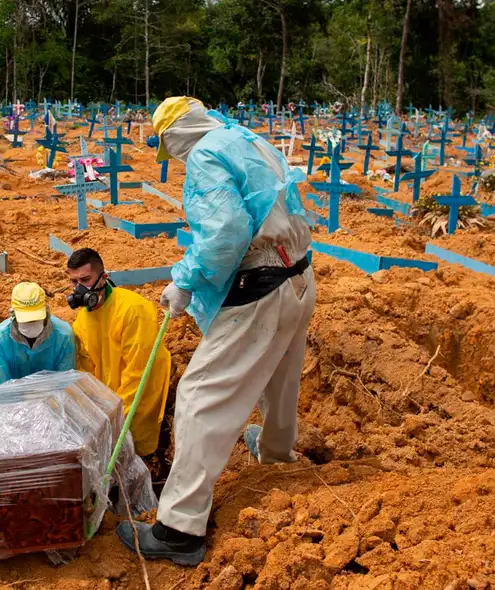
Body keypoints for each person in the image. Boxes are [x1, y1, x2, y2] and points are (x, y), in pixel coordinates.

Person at [115, 97, 315, 566]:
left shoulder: (206, 155)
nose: (177, 159)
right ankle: (276, 455)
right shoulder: (245, 139)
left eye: (171, 149)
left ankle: (179, 528)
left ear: (175, 136)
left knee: (200, 395)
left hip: (262, 280)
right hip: (300, 273)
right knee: (278, 374)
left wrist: (185, 281)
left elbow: (225, 233)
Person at [66, 248, 171, 457]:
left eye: (86, 280)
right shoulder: (82, 322)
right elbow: (86, 372)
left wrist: (115, 418)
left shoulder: (133, 310)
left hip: (139, 398)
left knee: (136, 452)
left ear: (103, 278)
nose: (80, 288)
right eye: (74, 282)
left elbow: (138, 373)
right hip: (111, 400)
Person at [0, 282, 76, 394]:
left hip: (52, 402)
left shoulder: (63, 336)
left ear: (47, 311)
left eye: (35, 320)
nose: (31, 324)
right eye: (26, 321)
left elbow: (65, 383)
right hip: (14, 403)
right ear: (13, 314)